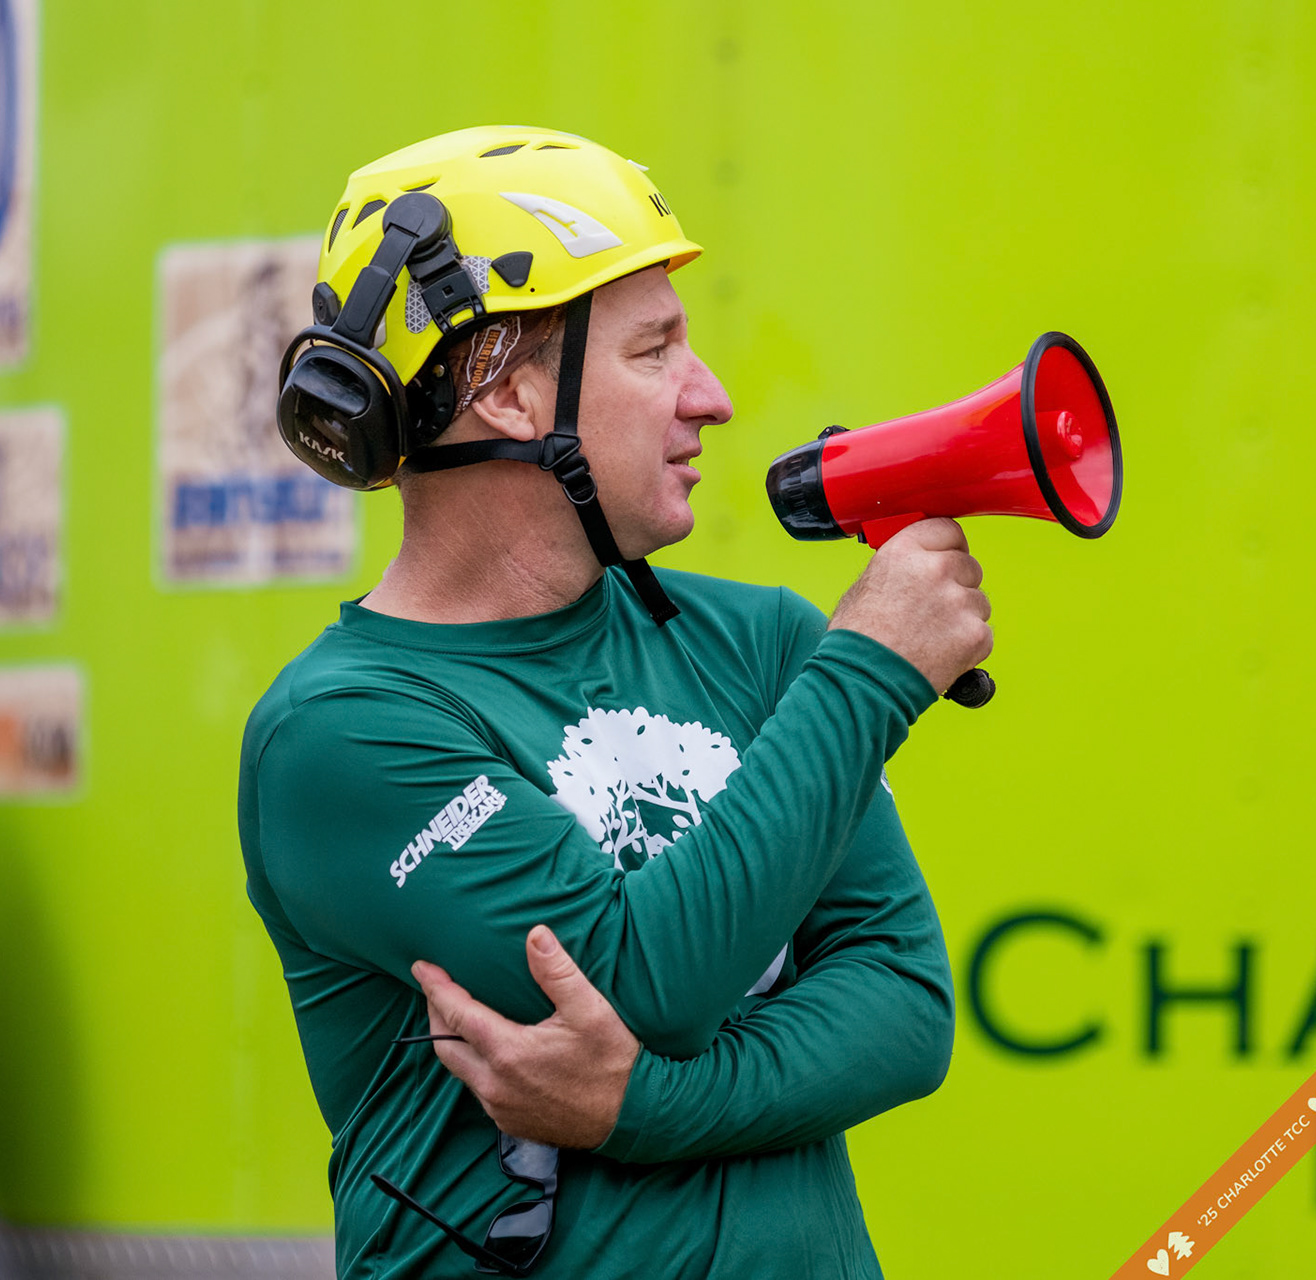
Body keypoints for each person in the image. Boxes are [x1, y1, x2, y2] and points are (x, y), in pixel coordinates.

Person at [239, 125, 992, 1279]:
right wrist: (874, 672)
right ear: (508, 388)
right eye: (655, 352)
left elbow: (904, 1002)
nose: (714, 397)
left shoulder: (764, 641)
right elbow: (641, 981)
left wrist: (637, 1107)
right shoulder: (341, 731)